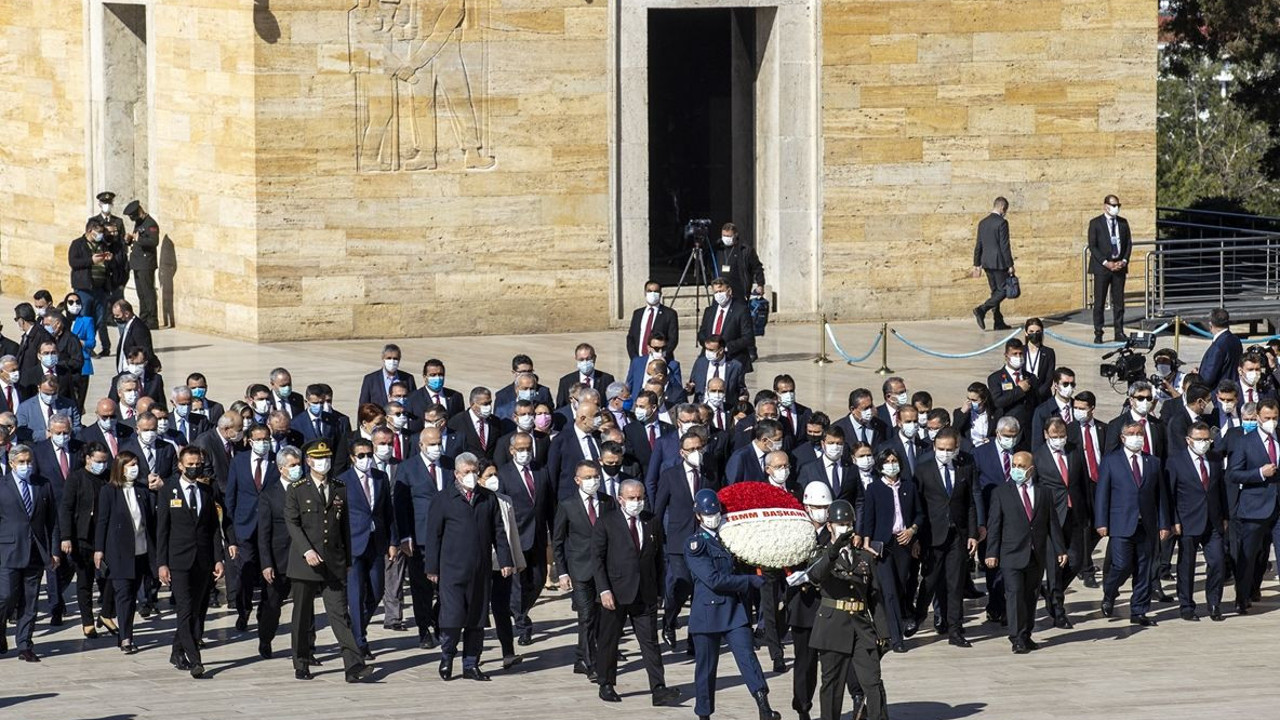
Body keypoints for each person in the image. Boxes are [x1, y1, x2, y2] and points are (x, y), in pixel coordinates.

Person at [685, 488, 780, 720]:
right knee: (706, 670)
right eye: (708, 513)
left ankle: (763, 705)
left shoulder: (730, 536)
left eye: (716, 511)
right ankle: (704, 714)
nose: (713, 516)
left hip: (734, 611)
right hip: (708, 614)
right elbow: (714, 580)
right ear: (698, 515)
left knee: (748, 658)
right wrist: (749, 581)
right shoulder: (695, 544)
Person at [284, 440, 372, 682]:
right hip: (305, 563)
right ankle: (301, 662)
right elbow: (292, 523)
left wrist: (348, 558)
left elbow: (344, 526)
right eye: (318, 458)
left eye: (327, 457)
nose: (324, 462)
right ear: (309, 461)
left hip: (334, 561)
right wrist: (307, 551)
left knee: (340, 614)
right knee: (302, 616)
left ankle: (353, 665)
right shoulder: (297, 488)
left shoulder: (339, 487)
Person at [424, 451, 514, 681]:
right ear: (456, 474)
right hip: (452, 570)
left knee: (476, 618)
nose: (471, 476)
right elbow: (433, 535)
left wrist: (505, 560)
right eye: (467, 472)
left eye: (475, 472)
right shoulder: (444, 499)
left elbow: (499, 532)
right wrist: (432, 567)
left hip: (480, 569)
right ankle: (447, 658)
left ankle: (471, 663)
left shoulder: (488, 498)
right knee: (452, 618)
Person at [591, 478, 680, 705]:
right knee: (609, 640)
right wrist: (603, 590)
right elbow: (597, 559)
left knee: (649, 641)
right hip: (615, 592)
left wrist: (660, 591)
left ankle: (658, 688)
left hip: (645, 593)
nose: (636, 502)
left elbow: (659, 559)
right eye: (632, 498)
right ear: (621, 499)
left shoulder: (651, 521)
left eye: (640, 498)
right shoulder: (607, 521)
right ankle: (606, 683)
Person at [157, 445, 236, 677]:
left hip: (203, 560)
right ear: (180, 465)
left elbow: (213, 529)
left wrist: (218, 559)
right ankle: (196, 659)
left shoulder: (206, 491)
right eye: (189, 464)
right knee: (184, 609)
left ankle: (176, 650)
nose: (194, 468)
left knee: (196, 609)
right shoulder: (168, 490)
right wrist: (161, 563)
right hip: (179, 560)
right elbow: (162, 530)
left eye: (197, 464)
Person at [808, 499, 889, 720]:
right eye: (839, 523)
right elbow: (815, 575)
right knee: (833, 685)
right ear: (830, 525)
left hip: (861, 626)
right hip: (833, 625)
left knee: (872, 681)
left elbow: (875, 596)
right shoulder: (821, 554)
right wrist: (833, 550)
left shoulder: (864, 556)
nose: (844, 526)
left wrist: (883, 631)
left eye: (848, 522)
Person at [984, 451, 1066, 653]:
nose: (1016, 469)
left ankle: (1026, 633)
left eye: (1021, 466)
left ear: (1031, 469)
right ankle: (1016, 637)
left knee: (1031, 595)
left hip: (1036, 554)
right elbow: (994, 525)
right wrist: (991, 552)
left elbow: (1052, 523)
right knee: (1014, 595)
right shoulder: (1001, 493)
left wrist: (1060, 549)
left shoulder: (1044, 492)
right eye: (1014, 465)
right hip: (1011, 554)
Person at [1096, 421, 1171, 627]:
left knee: (1144, 569)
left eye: (1139, 433)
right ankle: (1109, 593)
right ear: (1122, 437)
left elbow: (1161, 497)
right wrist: (1101, 522)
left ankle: (1139, 610)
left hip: (1146, 524)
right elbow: (1102, 493)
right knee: (1121, 565)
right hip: (1121, 523)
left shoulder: (1153, 462)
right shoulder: (1111, 461)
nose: (1136, 436)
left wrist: (1164, 524)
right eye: (1131, 433)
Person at [913, 428, 978, 646]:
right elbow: (918, 505)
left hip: (957, 535)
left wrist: (972, 534)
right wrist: (917, 538)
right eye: (941, 449)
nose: (945, 453)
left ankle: (955, 630)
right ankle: (918, 616)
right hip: (932, 535)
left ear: (957, 447)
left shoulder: (965, 467)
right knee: (930, 580)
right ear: (934, 447)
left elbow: (969, 503)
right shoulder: (923, 470)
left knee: (955, 583)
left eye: (950, 449)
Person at [0, 444, 62, 661]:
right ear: (11, 463)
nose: (26, 466)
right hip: (7, 550)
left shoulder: (43, 485)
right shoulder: (2, 485)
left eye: (29, 462)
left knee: (30, 600)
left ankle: (25, 644)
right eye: (22, 462)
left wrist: (54, 551)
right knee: (6, 597)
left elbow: (52, 521)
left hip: (36, 551)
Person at [553, 460, 612, 680]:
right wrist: (562, 572)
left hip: (603, 570)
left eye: (596, 476)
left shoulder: (608, 502)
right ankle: (590, 662)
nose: (593, 481)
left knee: (599, 617)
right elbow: (558, 541)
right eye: (588, 477)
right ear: (578, 480)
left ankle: (581, 657)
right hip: (580, 569)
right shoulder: (567, 504)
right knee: (586, 616)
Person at [859, 449, 921, 653]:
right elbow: (868, 517)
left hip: (903, 543)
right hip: (883, 545)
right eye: (887, 461)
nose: (891, 464)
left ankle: (903, 618)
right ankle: (896, 638)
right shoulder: (874, 488)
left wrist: (912, 531)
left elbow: (920, 515)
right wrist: (867, 541)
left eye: (894, 461)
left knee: (901, 585)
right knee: (889, 590)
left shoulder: (909, 487)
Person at [92, 451, 154, 653]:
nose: (134, 468)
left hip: (141, 551)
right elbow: (102, 521)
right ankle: (126, 637)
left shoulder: (142, 490)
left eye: (136, 464)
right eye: (130, 465)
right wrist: (99, 549)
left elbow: (150, 520)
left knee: (133, 592)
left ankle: (115, 622)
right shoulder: (109, 491)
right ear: (120, 468)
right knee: (124, 595)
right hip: (118, 552)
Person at [339, 437, 396, 660]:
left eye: (369, 455)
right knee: (355, 594)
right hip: (353, 545)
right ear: (353, 458)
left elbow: (388, 512)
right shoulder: (342, 481)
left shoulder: (381, 478)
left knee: (377, 590)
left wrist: (393, 541)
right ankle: (360, 641)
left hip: (376, 542)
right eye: (361, 455)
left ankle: (355, 628)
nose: (366, 459)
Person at [497, 432, 553, 646]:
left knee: (539, 579)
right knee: (518, 584)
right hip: (516, 536)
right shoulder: (504, 473)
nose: (525, 452)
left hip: (538, 536)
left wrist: (552, 530)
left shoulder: (541, 470)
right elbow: (500, 508)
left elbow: (548, 504)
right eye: (521, 449)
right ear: (512, 451)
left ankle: (520, 611)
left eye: (528, 448)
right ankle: (522, 624)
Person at [1035, 418, 1091, 627]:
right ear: (1046, 435)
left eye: (1062, 436)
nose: (1059, 440)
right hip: (1052, 518)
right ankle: (1058, 610)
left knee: (1076, 561)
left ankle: (1051, 591)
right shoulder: (1038, 456)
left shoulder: (1074, 451)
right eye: (1054, 436)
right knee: (1054, 565)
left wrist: (1089, 513)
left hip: (1075, 514)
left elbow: (1083, 482)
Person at [1226, 398, 1280, 614]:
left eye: (1275, 418)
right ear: (1257, 417)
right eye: (1267, 418)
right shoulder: (1244, 442)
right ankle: (1242, 596)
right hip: (1255, 507)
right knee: (1249, 555)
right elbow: (1233, 473)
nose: (1272, 422)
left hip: (1278, 506)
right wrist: (1259, 473)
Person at [786, 482, 835, 720]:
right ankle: (802, 707)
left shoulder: (836, 532)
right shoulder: (797, 530)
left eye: (825, 506)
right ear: (806, 506)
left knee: (832, 663)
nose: (821, 511)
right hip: (803, 608)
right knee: (804, 663)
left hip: (829, 606)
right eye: (817, 506)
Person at [1169, 421, 1227, 621]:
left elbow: (1221, 491)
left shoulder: (1215, 459)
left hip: (1213, 521)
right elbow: (1170, 494)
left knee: (1218, 561)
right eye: (1199, 440)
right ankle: (1186, 605)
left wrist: (1225, 516)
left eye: (1206, 440)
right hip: (1187, 521)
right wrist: (1173, 520)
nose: (1203, 443)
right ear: (1188, 440)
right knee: (1187, 565)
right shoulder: (1176, 461)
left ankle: (1214, 603)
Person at [59, 443, 114, 638]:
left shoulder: (108, 478)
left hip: (106, 536)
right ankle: (88, 621)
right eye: (98, 461)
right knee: (85, 580)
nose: (102, 465)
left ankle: (106, 614)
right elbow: (66, 508)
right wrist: (66, 536)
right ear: (88, 459)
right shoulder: (76, 478)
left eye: (105, 461)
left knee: (111, 578)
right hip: (83, 537)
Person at [477, 457, 527, 669]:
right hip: (478, 564)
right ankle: (473, 655)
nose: (494, 479)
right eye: (489, 475)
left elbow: (511, 534)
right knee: (477, 610)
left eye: (495, 474)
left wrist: (517, 559)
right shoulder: (473, 501)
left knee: (501, 607)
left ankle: (508, 651)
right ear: (479, 479)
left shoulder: (505, 501)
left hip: (502, 563)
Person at [257, 445, 303, 658]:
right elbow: (264, 533)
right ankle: (266, 639)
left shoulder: (306, 489)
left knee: (304, 606)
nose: (297, 468)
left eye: (298, 464)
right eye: (292, 465)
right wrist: (266, 563)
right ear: (282, 468)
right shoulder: (269, 495)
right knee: (273, 605)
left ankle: (306, 648)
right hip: (279, 560)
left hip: (304, 558)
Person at [67, 217, 121, 359]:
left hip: (101, 288)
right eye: (98, 232)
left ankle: (94, 344)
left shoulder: (102, 245)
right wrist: (91, 260)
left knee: (100, 319)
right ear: (90, 231)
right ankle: (84, 346)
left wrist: (109, 259)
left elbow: (110, 264)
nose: (100, 235)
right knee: (85, 318)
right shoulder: (77, 244)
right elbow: (73, 262)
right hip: (84, 288)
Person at [1087, 195, 1131, 343]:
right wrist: (1106, 263)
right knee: (1099, 302)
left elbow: (1128, 243)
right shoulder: (1095, 223)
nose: (1116, 208)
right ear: (1105, 206)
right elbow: (1093, 246)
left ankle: (1119, 331)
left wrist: (1123, 261)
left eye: (1118, 205)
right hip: (1102, 268)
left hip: (1119, 267)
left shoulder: (1123, 223)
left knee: (1119, 302)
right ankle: (1098, 332)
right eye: (1113, 205)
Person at [971, 196, 1014, 331]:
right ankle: (981, 309)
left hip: (986, 262)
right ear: (1002, 207)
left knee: (995, 292)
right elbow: (1004, 246)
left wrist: (976, 264)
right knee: (1004, 290)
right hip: (999, 262)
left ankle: (998, 322)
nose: (1005, 212)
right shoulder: (1002, 223)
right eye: (1005, 209)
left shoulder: (983, 223)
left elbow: (978, 245)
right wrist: (1010, 264)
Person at [697, 277, 756, 374]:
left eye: (721, 291)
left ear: (729, 291)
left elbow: (748, 337)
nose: (718, 295)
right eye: (716, 292)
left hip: (732, 358)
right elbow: (702, 333)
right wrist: (708, 346)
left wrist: (725, 348)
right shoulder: (709, 311)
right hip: (709, 357)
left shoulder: (741, 310)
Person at [122, 200, 160, 330]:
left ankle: (152, 319)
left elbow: (154, 241)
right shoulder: (139, 223)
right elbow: (136, 242)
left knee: (148, 292)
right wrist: (129, 240)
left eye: (133, 215)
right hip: (137, 263)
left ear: (139, 211)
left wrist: (139, 239)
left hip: (146, 263)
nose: (133, 219)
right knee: (141, 293)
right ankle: (144, 317)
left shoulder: (151, 224)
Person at [988, 338, 1039, 430]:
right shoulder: (995, 378)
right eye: (1015, 354)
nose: (1018, 357)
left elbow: (1036, 402)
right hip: (1007, 428)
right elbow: (998, 402)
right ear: (1006, 356)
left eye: (1020, 353)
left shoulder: (1031, 377)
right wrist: (1019, 390)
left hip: (1027, 428)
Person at [60, 293, 96, 413]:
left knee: (79, 401)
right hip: (65, 363)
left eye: (77, 302)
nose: (75, 305)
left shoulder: (87, 321)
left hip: (81, 365)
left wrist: (81, 343)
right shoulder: (61, 321)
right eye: (71, 302)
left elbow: (92, 342)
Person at [714, 222, 766, 306]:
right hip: (720, 290)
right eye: (724, 236)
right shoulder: (718, 248)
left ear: (735, 235)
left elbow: (757, 267)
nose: (726, 238)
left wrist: (760, 284)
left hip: (739, 291)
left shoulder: (745, 250)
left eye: (729, 236)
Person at [626, 281, 680, 360]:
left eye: (656, 291)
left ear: (660, 294)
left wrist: (661, 355)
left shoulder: (669, 314)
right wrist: (634, 358)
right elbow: (631, 338)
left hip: (660, 360)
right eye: (649, 291)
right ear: (645, 293)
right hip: (639, 359)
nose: (652, 294)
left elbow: (673, 340)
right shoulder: (637, 313)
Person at [555, 343, 616, 409]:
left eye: (588, 359)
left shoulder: (607, 379)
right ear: (576, 359)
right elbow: (561, 407)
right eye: (581, 359)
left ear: (594, 358)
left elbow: (612, 404)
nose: (585, 362)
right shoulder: (566, 381)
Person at [358, 344, 417, 409]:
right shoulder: (370, 380)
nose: (392, 361)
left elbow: (414, 403)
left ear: (399, 359)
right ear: (383, 358)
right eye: (389, 358)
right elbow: (363, 405)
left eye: (395, 358)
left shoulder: (408, 379)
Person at [1197, 308, 1243, 388]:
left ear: (1210, 324)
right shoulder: (1236, 339)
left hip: (1220, 392)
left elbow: (1208, 378)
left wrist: (1198, 377)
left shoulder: (1218, 346)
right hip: (1234, 389)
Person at [110, 300, 153, 376]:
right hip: (125, 372)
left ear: (126, 313)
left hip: (134, 373)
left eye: (118, 315)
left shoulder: (138, 328)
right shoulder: (128, 325)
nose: (116, 318)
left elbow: (145, 350)